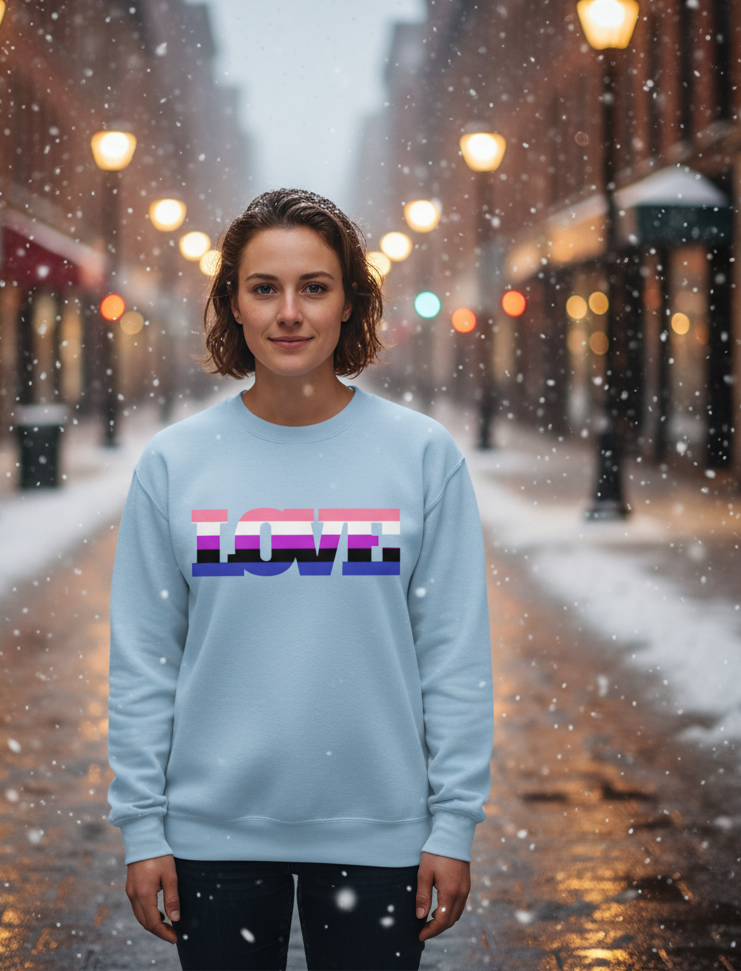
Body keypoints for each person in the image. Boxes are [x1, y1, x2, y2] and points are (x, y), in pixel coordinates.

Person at [108, 188, 493, 971]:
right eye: (265, 288)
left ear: (350, 303)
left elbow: (453, 654)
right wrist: (143, 828)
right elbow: (144, 659)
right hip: (212, 836)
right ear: (233, 304)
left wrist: (452, 823)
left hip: (379, 831)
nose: (290, 313)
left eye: (314, 287)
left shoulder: (420, 456)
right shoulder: (177, 463)